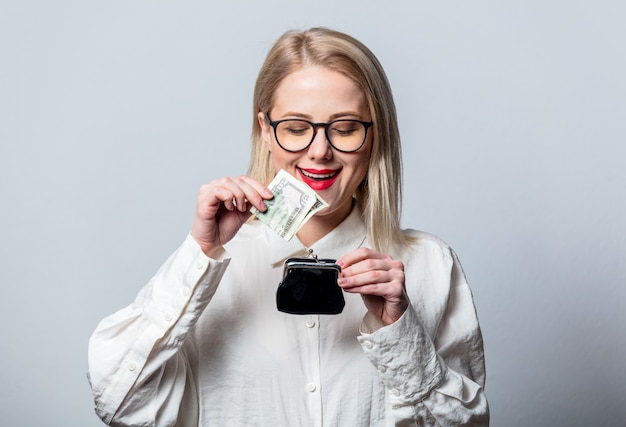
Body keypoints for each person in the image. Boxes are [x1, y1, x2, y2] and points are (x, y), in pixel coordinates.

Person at [87, 27, 489, 426]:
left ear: (376, 133)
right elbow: (117, 404)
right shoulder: (209, 267)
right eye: (296, 128)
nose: (319, 151)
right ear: (265, 130)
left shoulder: (430, 264)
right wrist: (199, 253)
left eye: (345, 127)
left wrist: (401, 335)